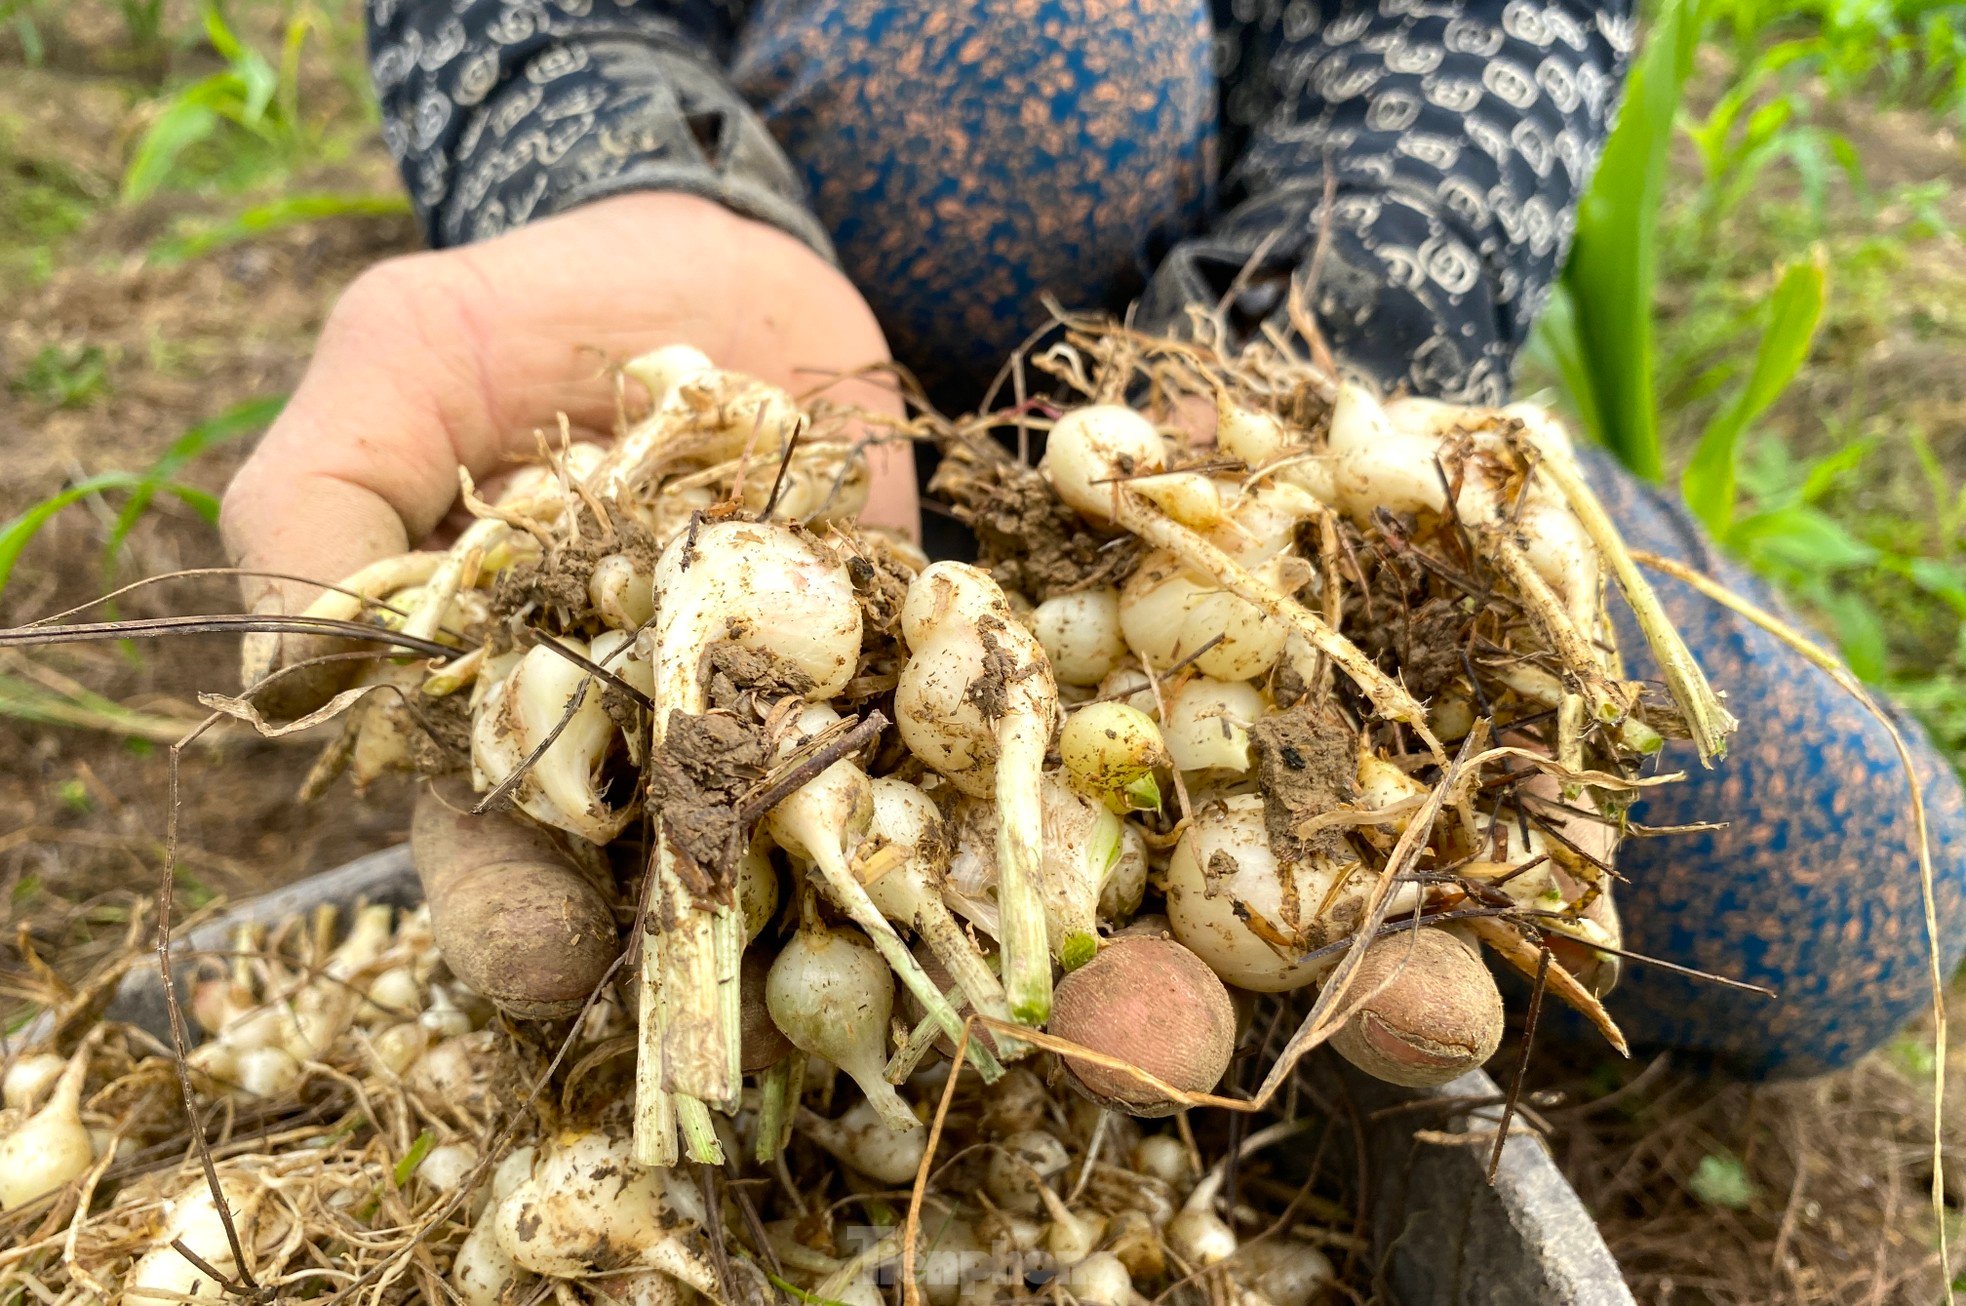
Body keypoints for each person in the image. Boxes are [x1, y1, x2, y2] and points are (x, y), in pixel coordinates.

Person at [220, 0, 1966, 1079]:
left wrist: (1318, 349)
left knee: (1874, 892)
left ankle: (1284, 639)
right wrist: (608, 182)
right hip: (809, 296)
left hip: (1248, 373)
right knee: (1035, 43)